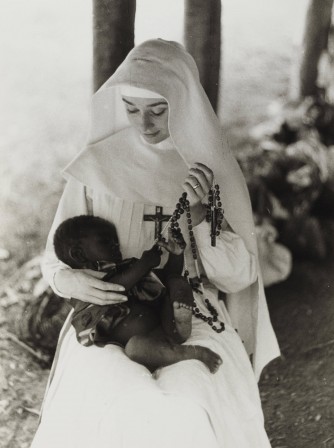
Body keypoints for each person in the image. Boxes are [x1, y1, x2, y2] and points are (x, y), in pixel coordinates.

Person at [31, 39, 280, 448]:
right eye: (131, 109)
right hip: (111, 316)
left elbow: (238, 277)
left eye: (157, 111)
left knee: (191, 396)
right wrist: (71, 283)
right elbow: (53, 261)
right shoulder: (96, 167)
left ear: (183, 105)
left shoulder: (210, 171)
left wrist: (201, 218)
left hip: (190, 311)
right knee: (112, 395)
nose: (143, 124)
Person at [53, 214, 222, 371]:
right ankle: (189, 352)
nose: (115, 246)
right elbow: (115, 287)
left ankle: (181, 325)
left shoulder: (128, 267)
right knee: (135, 349)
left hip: (161, 325)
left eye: (116, 243)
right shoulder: (84, 285)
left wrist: (176, 256)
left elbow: (161, 281)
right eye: (105, 242)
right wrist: (144, 264)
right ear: (78, 254)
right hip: (137, 341)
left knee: (174, 282)